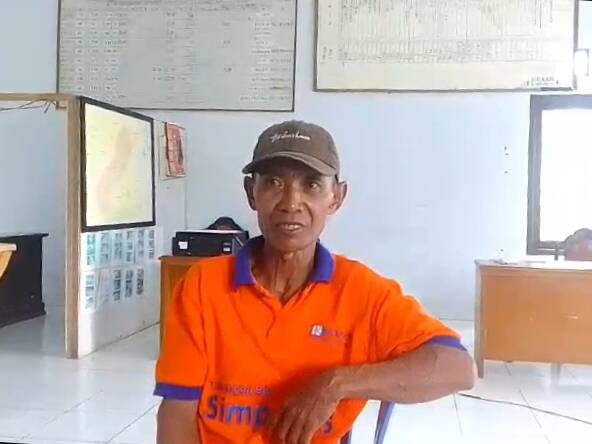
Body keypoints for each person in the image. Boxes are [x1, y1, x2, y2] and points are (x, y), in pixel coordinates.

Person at [155, 121, 475, 444]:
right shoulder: (203, 286)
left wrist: (337, 385)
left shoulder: (361, 292)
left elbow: (459, 367)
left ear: (336, 197)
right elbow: (177, 412)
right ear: (252, 192)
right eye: (274, 182)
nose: (291, 202)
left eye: (311, 184)